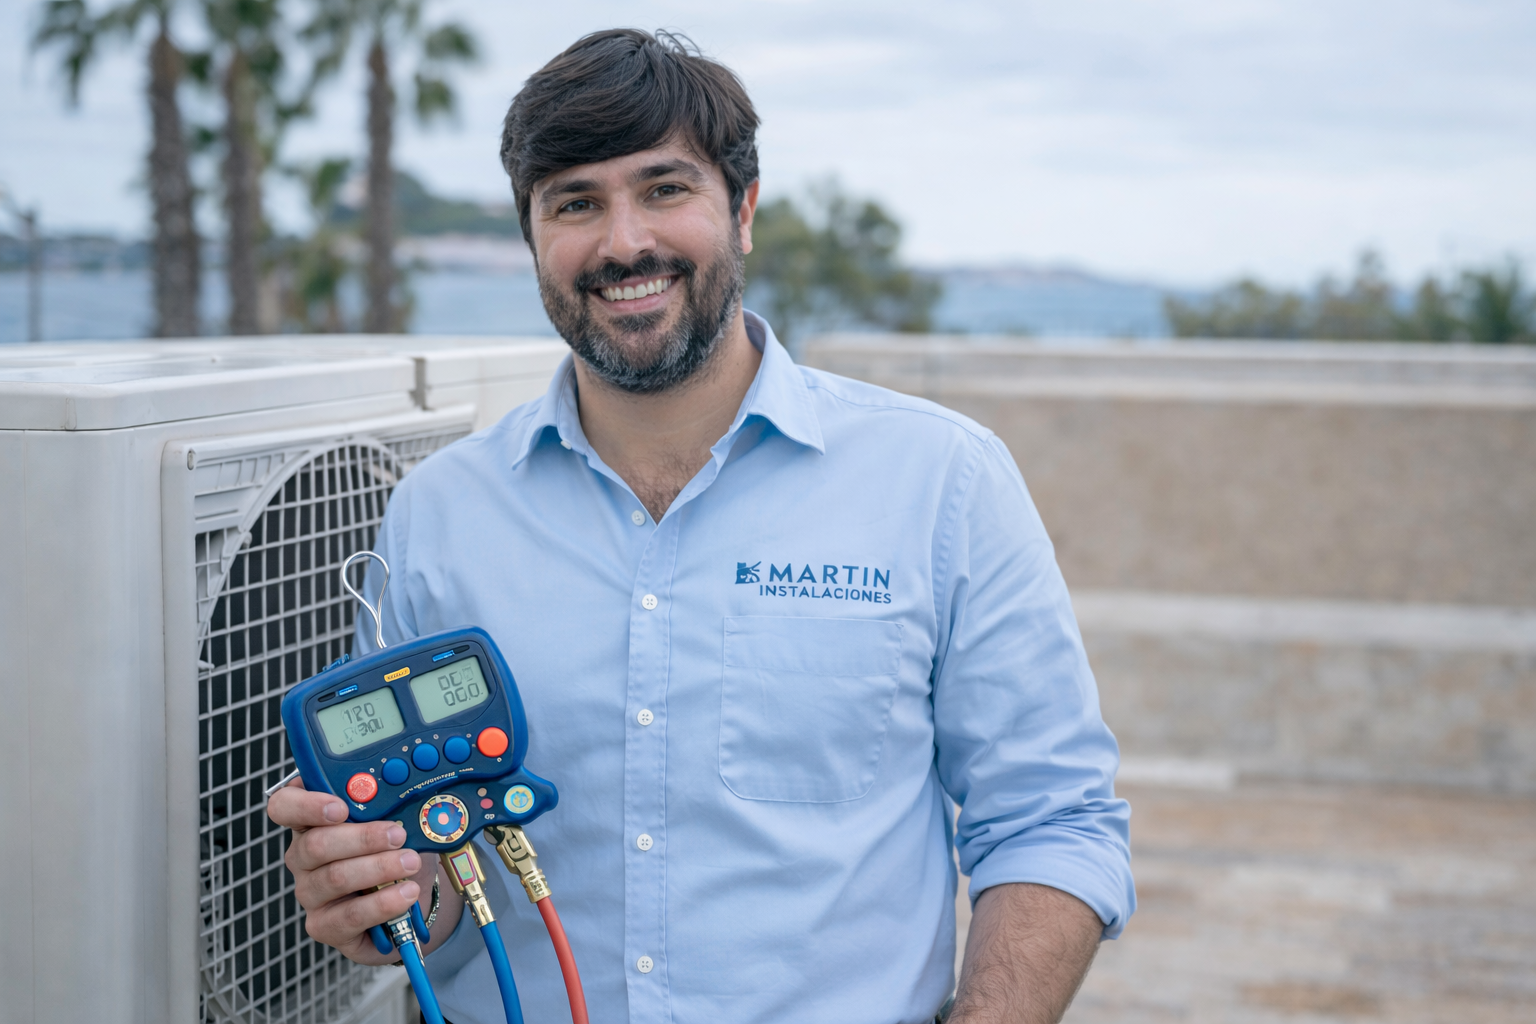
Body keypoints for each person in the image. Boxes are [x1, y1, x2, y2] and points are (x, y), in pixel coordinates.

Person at [267, 28, 1134, 1024]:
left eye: (665, 188)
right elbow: (434, 875)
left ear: (744, 211)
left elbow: (1053, 818)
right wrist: (382, 891)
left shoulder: (942, 481)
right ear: (533, 239)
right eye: (576, 202)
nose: (624, 241)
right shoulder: (439, 514)